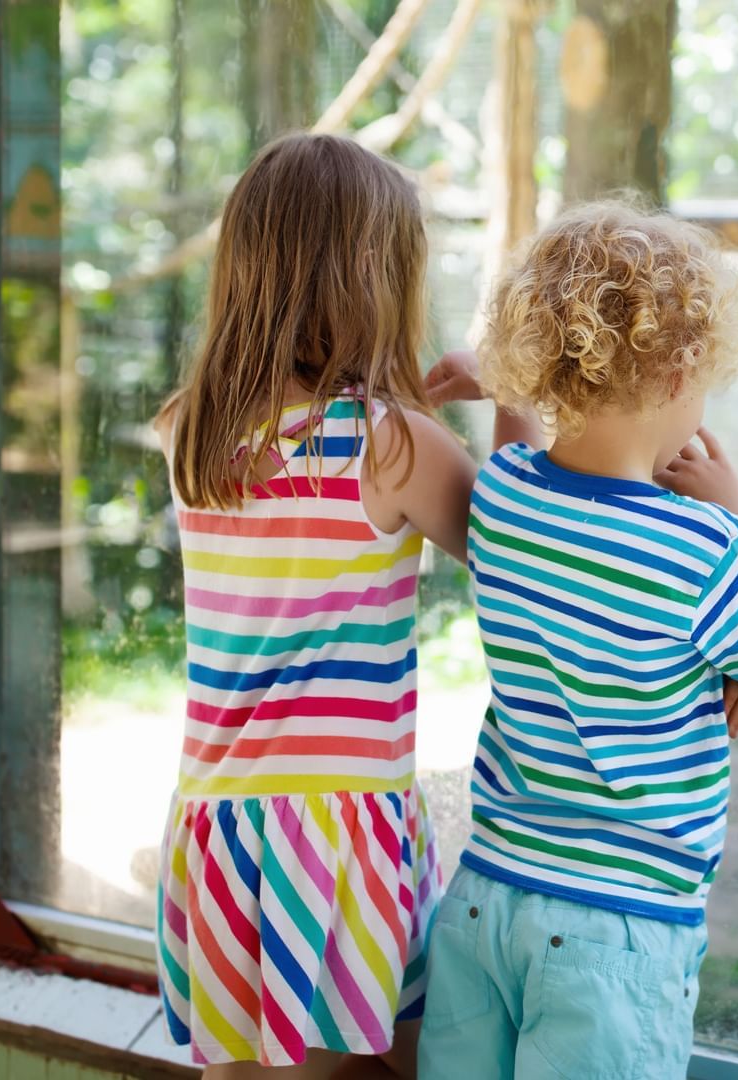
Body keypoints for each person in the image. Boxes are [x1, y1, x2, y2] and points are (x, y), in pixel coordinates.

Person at [416, 202, 738, 1079]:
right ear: (685, 365)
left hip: (485, 900)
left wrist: (504, 387)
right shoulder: (706, 551)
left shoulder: (505, 500)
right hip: (620, 930)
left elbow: (524, 444)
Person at [153, 132, 535, 1078]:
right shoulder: (393, 446)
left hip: (219, 826)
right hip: (333, 836)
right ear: (376, 280)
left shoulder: (190, 430)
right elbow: (527, 555)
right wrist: (510, 398)